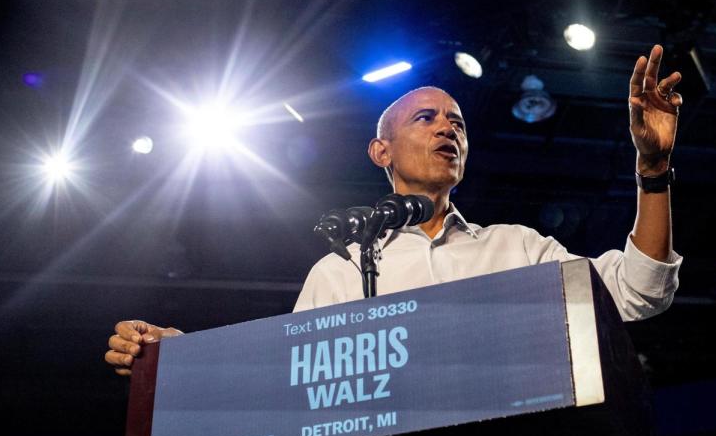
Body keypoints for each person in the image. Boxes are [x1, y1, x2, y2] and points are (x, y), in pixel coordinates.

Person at [105, 44, 684, 376]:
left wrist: (652, 169)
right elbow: (285, 372)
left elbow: (639, 291)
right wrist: (180, 357)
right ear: (380, 150)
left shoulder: (519, 248)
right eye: (426, 119)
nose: (447, 129)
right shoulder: (339, 270)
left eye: (457, 121)